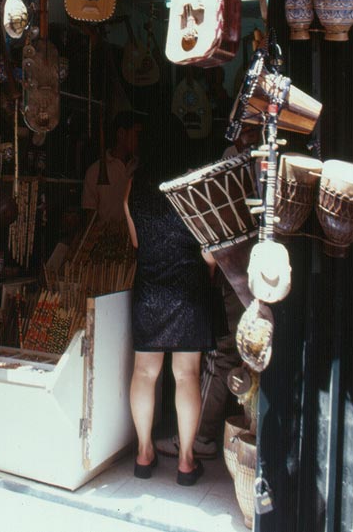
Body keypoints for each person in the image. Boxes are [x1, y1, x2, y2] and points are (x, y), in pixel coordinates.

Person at [156, 123, 260, 460]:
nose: (241, 134)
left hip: (241, 271)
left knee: (223, 353)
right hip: (250, 269)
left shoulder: (243, 159)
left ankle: (200, 435)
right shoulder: (240, 157)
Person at [124, 122, 215, 486]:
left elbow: (135, 242)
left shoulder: (133, 188)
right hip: (188, 291)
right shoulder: (192, 191)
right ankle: (186, 462)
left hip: (149, 291)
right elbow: (209, 254)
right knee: (186, 375)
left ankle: (144, 453)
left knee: (145, 373)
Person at [81, 110, 143, 225]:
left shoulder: (140, 169)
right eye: (136, 134)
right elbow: (89, 216)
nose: (139, 140)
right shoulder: (95, 171)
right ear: (121, 134)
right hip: (105, 240)